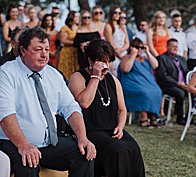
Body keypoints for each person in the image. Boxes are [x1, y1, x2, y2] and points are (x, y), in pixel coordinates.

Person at [0, 27, 95, 177]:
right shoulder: (6, 73)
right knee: (28, 163)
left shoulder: (53, 74)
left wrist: (83, 138)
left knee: (83, 153)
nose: (45, 54)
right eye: (38, 49)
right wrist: (24, 145)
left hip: (48, 144)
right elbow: (5, 114)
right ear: (23, 51)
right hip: (14, 142)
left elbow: (71, 108)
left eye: (46, 48)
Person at [67, 39, 145, 177]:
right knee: (117, 150)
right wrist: (95, 76)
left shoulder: (113, 80)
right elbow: (84, 102)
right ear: (91, 61)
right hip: (89, 130)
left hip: (111, 129)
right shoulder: (78, 77)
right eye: (102, 62)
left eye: (108, 62)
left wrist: (120, 127)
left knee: (133, 148)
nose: (106, 66)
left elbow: (122, 109)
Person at [119, 38, 162, 128]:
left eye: (141, 47)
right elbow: (126, 69)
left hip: (147, 83)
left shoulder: (145, 58)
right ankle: (144, 117)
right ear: (132, 48)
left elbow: (155, 65)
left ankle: (153, 117)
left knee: (157, 91)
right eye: (137, 47)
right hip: (131, 83)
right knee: (144, 92)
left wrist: (148, 52)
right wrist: (133, 56)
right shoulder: (126, 58)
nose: (139, 49)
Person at [155, 38, 188, 124]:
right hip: (168, 85)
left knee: (194, 93)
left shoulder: (182, 59)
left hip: (183, 84)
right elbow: (163, 76)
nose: (175, 48)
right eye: (173, 46)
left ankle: (188, 117)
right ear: (167, 47)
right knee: (180, 93)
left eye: (176, 47)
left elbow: (187, 72)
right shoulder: (161, 58)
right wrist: (177, 83)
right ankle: (179, 117)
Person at [58, 11, 79, 78]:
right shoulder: (65, 28)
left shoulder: (79, 27)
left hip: (76, 51)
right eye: (76, 16)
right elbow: (63, 40)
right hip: (67, 51)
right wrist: (75, 43)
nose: (77, 18)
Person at [110, 11, 129, 76]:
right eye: (121, 17)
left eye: (125, 17)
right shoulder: (112, 27)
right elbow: (111, 43)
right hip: (115, 55)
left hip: (124, 55)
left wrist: (123, 56)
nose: (123, 19)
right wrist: (118, 54)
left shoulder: (125, 28)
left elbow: (127, 43)